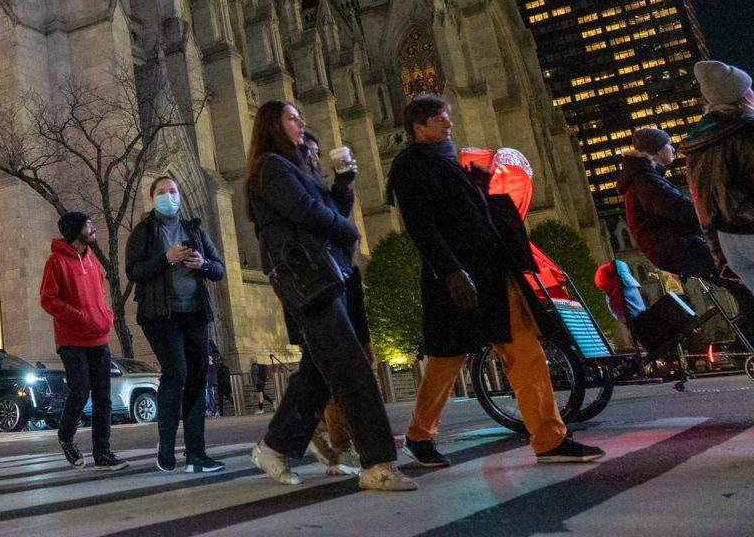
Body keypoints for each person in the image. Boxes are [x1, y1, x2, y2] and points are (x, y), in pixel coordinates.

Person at [388, 93, 603, 467]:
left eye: (447, 117)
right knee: (446, 359)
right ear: (418, 127)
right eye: (439, 119)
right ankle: (419, 436)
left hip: (492, 273)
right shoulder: (410, 167)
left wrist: (480, 190)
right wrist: (451, 270)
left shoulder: (448, 161)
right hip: (456, 279)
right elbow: (422, 228)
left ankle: (550, 439)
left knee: (525, 352)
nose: (448, 123)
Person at [246, 101, 415, 493]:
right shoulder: (271, 167)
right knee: (351, 366)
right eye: (292, 117)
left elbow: (328, 208)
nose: (301, 122)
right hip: (305, 277)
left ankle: (274, 446)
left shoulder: (296, 166)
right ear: (272, 125)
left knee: (320, 370)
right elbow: (305, 211)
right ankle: (376, 463)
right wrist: (349, 233)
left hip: (322, 274)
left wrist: (342, 182)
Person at [125, 175, 226, 473]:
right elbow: (134, 272)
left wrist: (202, 265)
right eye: (161, 192)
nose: (168, 196)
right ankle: (166, 444)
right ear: (152, 198)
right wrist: (165, 259)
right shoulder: (144, 232)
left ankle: (196, 454)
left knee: (197, 378)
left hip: (194, 311)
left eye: (172, 191)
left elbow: (218, 268)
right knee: (176, 374)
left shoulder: (193, 228)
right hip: (161, 314)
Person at [622, 122, 754, 323]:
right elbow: (682, 210)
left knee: (737, 276)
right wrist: (713, 211)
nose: (673, 149)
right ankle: (747, 334)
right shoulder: (644, 180)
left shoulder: (646, 178)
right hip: (676, 247)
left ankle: (745, 335)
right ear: (656, 151)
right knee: (739, 273)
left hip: (677, 245)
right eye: (668, 144)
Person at [300, 130, 374, 475]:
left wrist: (344, 183)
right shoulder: (293, 189)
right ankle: (342, 443)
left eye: (316, 153)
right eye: (306, 152)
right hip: (321, 283)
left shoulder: (319, 187)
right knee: (334, 369)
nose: (313, 158)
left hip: (345, 277)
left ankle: (345, 438)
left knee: (361, 357)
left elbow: (340, 218)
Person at [39, 211, 127, 471]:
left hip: (98, 337)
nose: (93, 228)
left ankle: (103, 452)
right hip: (71, 339)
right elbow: (48, 300)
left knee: (103, 397)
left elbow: (100, 296)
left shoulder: (93, 262)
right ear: (76, 230)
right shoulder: (56, 262)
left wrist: (106, 316)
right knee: (81, 391)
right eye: (89, 225)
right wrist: (78, 317)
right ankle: (66, 437)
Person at [681, 62, 754, 304]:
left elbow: (703, 208)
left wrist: (720, 258)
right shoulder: (745, 129)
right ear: (741, 95)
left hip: (730, 244)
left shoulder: (696, 146)